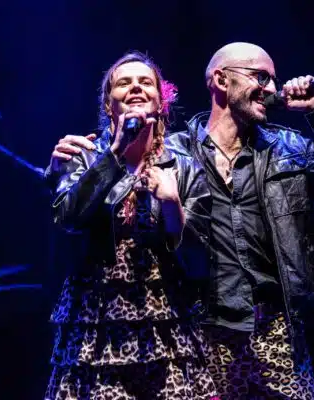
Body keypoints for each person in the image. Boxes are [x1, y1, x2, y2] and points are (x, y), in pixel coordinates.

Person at [49, 42, 314, 399]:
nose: (273, 89)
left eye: (273, 80)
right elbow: (75, 210)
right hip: (203, 331)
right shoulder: (179, 151)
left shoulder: (285, 149)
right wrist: (59, 167)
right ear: (221, 80)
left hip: (274, 328)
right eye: (261, 77)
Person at [43, 51, 218, 400]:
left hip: (168, 326)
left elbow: (201, 261)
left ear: (161, 102)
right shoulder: (82, 156)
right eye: (124, 83)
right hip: (95, 326)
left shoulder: (185, 166)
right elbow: (69, 218)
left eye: (145, 82)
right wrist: (115, 152)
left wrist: (172, 205)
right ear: (109, 105)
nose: (136, 87)